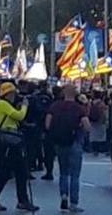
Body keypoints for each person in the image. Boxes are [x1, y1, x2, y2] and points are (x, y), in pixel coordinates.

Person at [0, 82, 39, 212]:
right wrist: (24, 107)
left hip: (12, 141)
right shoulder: (2, 104)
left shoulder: (5, 105)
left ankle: (21, 200)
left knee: (18, 172)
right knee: (5, 172)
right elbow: (19, 115)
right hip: (8, 142)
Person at [45, 85, 91, 213]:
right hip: (75, 142)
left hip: (60, 143)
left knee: (63, 172)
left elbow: (47, 124)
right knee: (75, 175)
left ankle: (64, 196)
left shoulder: (54, 106)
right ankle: (74, 203)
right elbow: (87, 126)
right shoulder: (79, 108)